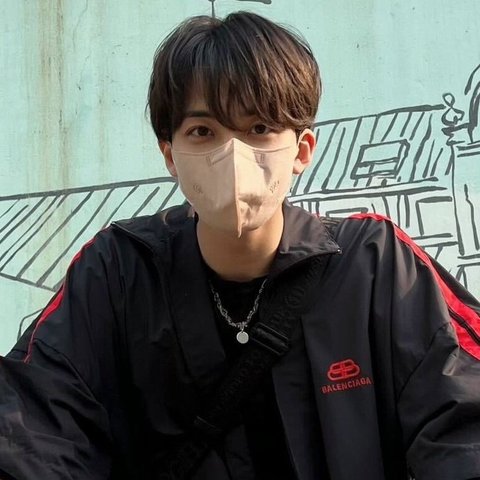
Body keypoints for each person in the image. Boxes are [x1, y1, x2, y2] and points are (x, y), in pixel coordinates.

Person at [1, 11, 480, 480]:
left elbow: (462, 409)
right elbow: (35, 422)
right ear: (170, 155)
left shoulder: (375, 264)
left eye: (259, 128)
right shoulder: (119, 271)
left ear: (302, 150)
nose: (233, 155)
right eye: (203, 132)